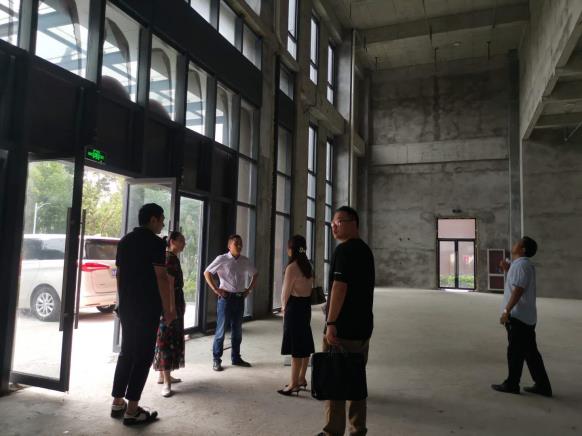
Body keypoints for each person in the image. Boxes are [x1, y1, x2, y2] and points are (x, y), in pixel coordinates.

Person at [110, 203, 176, 426]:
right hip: (147, 307)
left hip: (127, 306)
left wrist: (120, 301)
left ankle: (117, 402)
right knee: (144, 356)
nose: (163, 224)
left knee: (127, 352)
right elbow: (161, 277)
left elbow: (119, 274)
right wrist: (169, 309)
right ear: (153, 219)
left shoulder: (125, 241)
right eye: (162, 219)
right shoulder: (156, 243)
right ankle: (132, 410)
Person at [318, 206, 375, 436]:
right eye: (333, 222)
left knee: (336, 382)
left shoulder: (344, 251)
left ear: (354, 224)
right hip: (362, 328)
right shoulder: (365, 250)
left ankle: (332, 432)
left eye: (339, 221)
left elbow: (339, 288)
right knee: (356, 380)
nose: (334, 225)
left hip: (343, 330)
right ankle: (357, 430)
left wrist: (331, 323)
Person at [491, 236, 552, 397]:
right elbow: (517, 283)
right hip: (526, 317)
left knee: (515, 352)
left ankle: (512, 384)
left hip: (518, 318)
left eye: (518, 243)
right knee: (530, 353)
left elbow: (518, 290)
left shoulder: (521, 266)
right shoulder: (521, 265)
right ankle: (543, 385)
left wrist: (506, 312)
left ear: (523, 249)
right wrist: (508, 269)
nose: (514, 244)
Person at [204, 234, 258, 371]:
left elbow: (255, 273)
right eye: (236, 243)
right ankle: (216, 359)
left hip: (239, 298)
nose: (239, 246)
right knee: (221, 331)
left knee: (237, 331)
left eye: (240, 243)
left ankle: (236, 358)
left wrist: (248, 290)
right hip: (226, 299)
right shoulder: (222, 259)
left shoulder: (245, 260)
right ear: (229, 246)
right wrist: (216, 289)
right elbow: (207, 273)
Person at [278, 235, 315, 396]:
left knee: (295, 346)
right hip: (305, 307)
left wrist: (283, 309)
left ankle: (293, 384)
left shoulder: (292, 268)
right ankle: (301, 378)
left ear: (291, 250)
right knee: (304, 342)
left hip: (294, 307)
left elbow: (285, 292)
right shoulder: (308, 266)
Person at [153, 231, 187, 398]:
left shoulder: (171, 258)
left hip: (173, 303)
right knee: (166, 341)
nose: (184, 244)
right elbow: (168, 287)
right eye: (181, 241)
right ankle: (166, 382)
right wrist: (171, 309)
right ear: (172, 241)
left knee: (168, 339)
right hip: (169, 305)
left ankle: (163, 376)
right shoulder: (169, 259)